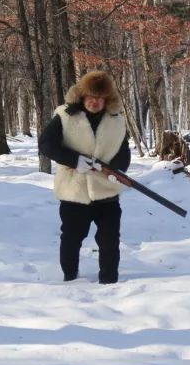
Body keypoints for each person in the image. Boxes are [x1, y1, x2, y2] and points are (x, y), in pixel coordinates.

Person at [38, 70, 131, 284]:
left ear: (107, 99)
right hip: (74, 191)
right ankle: (70, 279)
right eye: (90, 96)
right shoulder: (65, 115)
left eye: (99, 97)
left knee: (109, 240)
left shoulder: (117, 121)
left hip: (106, 192)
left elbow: (123, 156)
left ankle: (109, 282)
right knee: (71, 239)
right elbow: (46, 145)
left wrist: (112, 170)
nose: (94, 101)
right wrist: (74, 160)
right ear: (82, 95)